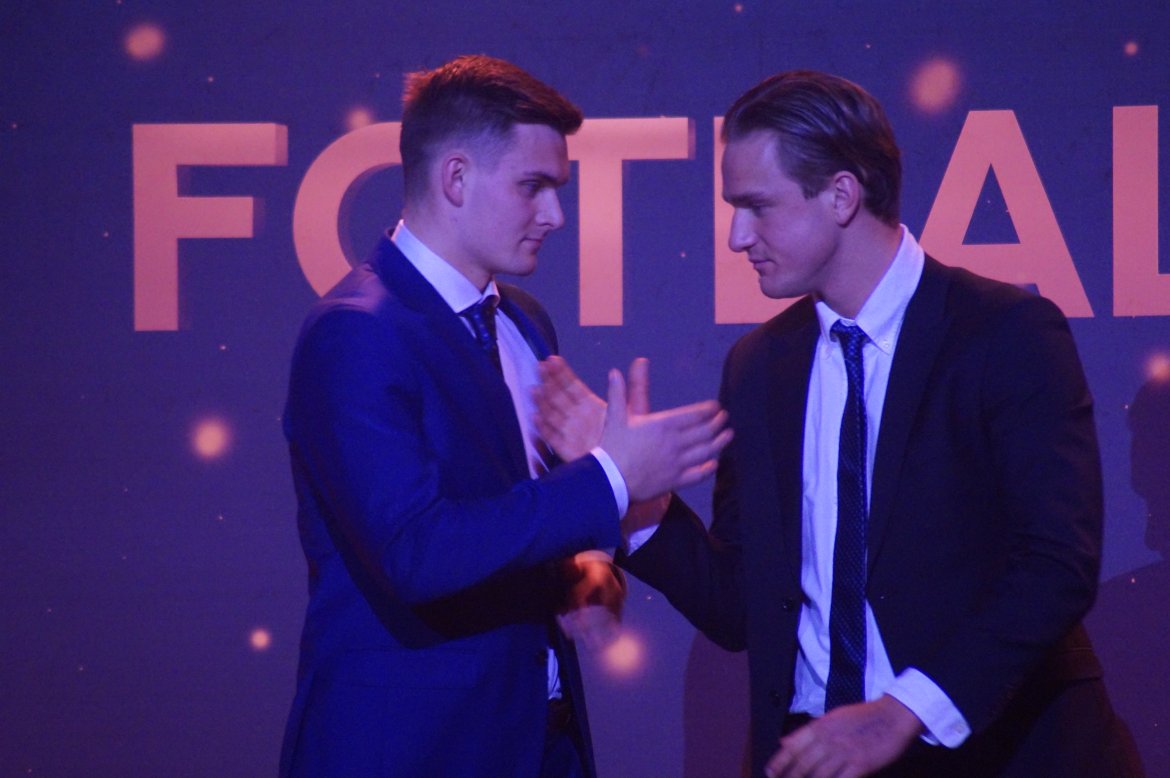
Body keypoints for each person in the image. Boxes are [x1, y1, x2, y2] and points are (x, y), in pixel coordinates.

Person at [536, 70, 1142, 776]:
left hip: (1001, 749)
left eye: (756, 206)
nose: (736, 236)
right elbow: (742, 607)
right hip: (816, 755)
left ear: (842, 195)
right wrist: (637, 498)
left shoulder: (1004, 333)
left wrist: (904, 710)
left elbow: (1055, 565)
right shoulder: (761, 366)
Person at [278, 54, 729, 777]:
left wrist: (582, 567)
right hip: (414, 755)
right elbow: (417, 552)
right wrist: (611, 479)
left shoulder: (523, 322)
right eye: (533, 187)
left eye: (557, 190)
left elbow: (512, 514)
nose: (555, 215)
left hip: (541, 743)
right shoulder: (356, 332)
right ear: (455, 178)